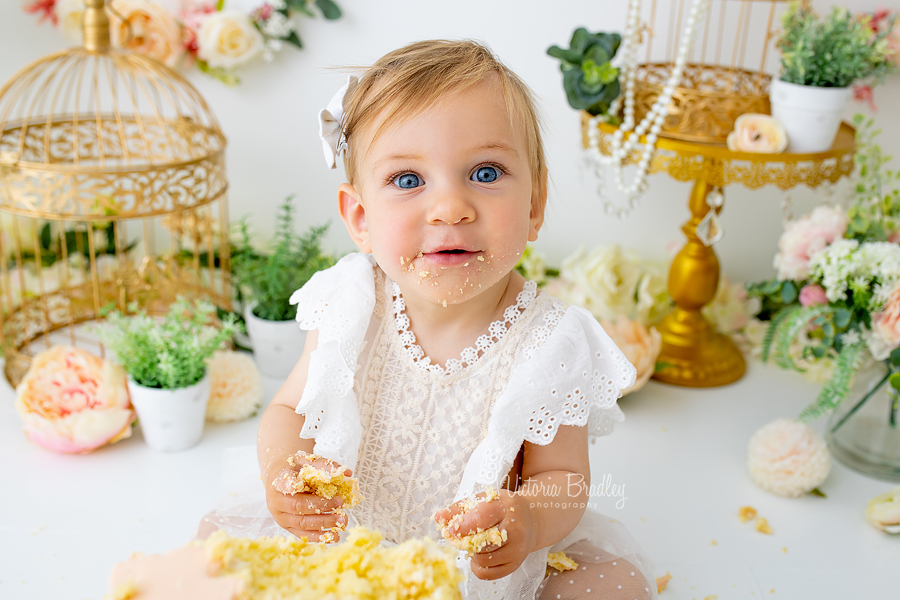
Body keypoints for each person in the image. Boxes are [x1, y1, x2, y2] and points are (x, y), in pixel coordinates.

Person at [254, 40, 657, 600]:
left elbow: (562, 481)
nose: (450, 207)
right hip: (348, 548)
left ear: (536, 203)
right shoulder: (350, 305)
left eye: (486, 172)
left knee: (617, 589)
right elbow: (285, 412)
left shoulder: (551, 342)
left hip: (476, 566)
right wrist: (284, 473)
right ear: (361, 217)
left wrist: (529, 521)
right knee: (225, 568)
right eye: (407, 179)